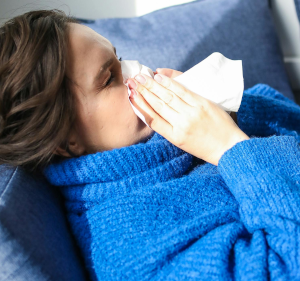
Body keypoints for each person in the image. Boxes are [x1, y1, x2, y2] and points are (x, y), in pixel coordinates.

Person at [1, 9, 300, 281]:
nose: (139, 71)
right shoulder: (128, 249)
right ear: (66, 140)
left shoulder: (161, 147)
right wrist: (228, 145)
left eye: (119, 59)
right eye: (109, 79)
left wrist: (228, 110)